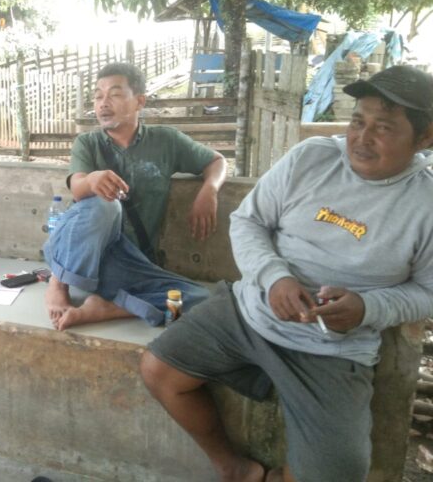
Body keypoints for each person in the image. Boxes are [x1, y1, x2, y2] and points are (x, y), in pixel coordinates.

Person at [140, 64, 433, 482]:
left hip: (333, 349)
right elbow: (248, 221)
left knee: (337, 473)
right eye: (357, 121)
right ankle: (233, 467)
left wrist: (367, 308)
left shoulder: (425, 202)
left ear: (425, 137)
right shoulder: (311, 158)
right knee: (158, 370)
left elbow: (427, 291)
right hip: (250, 312)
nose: (362, 138)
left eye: (383, 128)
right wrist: (274, 276)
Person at [43, 62, 227, 331]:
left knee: (199, 297)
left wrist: (209, 190)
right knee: (108, 206)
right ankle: (58, 283)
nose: (103, 103)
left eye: (115, 94)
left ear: (140, 101)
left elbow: (217, 161)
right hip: (84, 251)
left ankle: (107, 308)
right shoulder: (88, 143)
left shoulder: (166, 141)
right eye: (98, 96)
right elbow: (78, 188)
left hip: (126, 262)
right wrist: (92, 180)